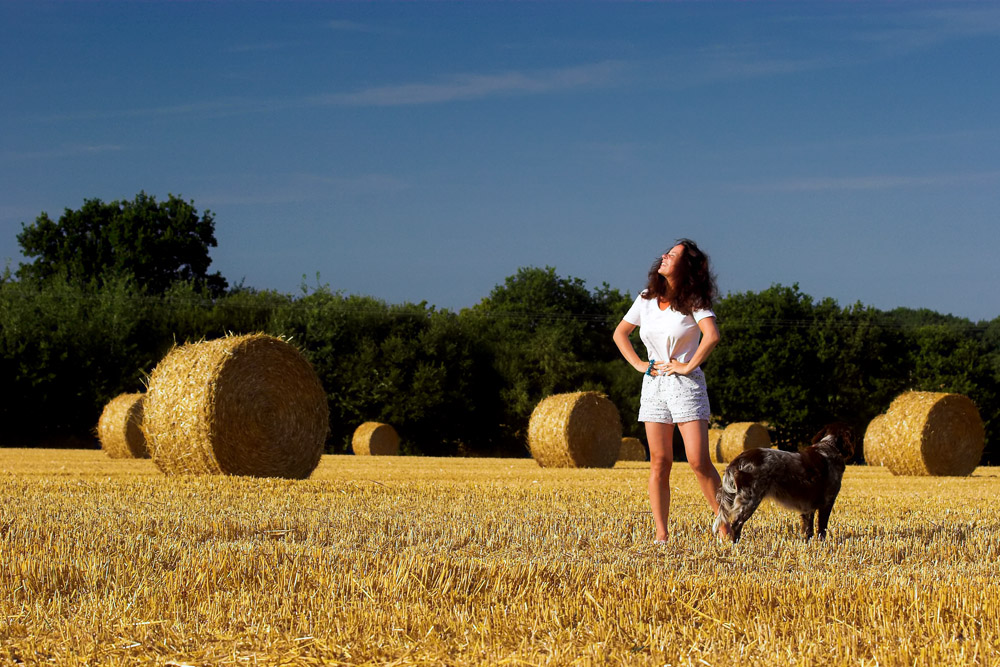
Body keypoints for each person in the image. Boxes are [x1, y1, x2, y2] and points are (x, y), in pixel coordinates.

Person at [612, 239, 730, 543]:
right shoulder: (646, 297)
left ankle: (725, 524)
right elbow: (620, 333)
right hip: (653, 384)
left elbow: (712, 335)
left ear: (686, 266)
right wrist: (640, 365)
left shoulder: (694, 299)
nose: (663, 256)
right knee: (659, 462)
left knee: (697, 461)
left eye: (673, 255)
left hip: (685, 385)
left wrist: (688, 366)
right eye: (666, 253)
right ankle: (661, 535)